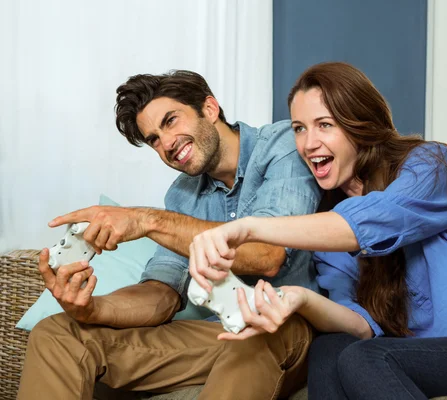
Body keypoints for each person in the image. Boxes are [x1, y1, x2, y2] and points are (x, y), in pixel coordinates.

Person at [186, 62, 447, 399]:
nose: (308, 143)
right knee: (332, 348)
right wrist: (296, 298)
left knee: (367, 357)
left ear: (360, 124)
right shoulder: (330, 230)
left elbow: (378, 219)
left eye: (324, 124)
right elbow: (362, 324)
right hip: (434, 359)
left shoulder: (431, 166)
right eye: (299, 128)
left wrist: (248, 228)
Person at [18, 70, 321, 400]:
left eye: (171, 121)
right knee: (58, 332)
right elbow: (161, 295)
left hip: (287, 326)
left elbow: (267, 255)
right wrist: (91, 309)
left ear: (209, 108)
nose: (166, 144)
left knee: (252, 335)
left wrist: (146, 220)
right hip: (215, 335)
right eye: (153, 140)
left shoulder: (281, 147)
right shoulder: (182, 196)